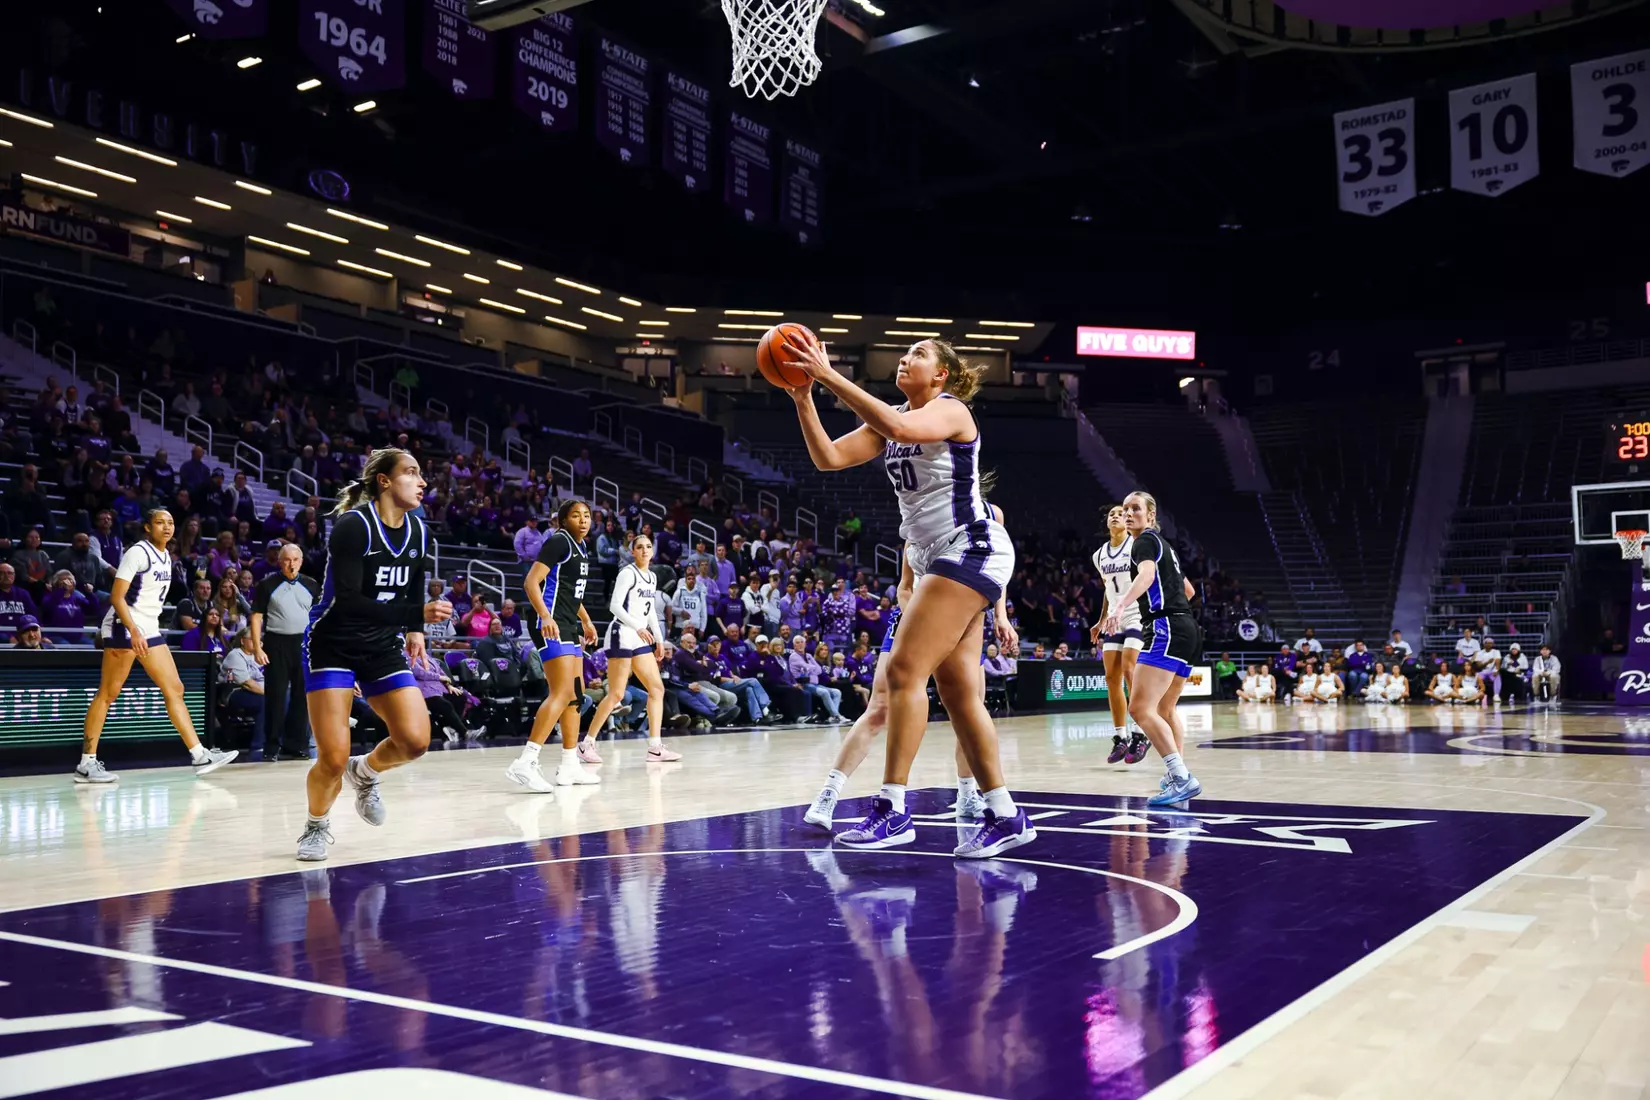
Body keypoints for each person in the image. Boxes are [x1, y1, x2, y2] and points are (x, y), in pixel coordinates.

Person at [787, 335, 1030, 858]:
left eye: (918, 354)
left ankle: (892, 809)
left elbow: (899, 427)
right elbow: (829, 458)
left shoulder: (951, 412)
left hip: (970, 547)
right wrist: (803, 397)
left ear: (941, 375)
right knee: (962, 694)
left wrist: (827, 375)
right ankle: (1007, 814)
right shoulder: (890, 419)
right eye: (903, 353)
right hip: (936, 558)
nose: (904, 358)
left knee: (901, 673)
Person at [297, 448, 450, 862]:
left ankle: (364, 773)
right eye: (411, 473)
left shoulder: (419, 532)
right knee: (331, 756)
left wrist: (415, 628)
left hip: (381, 645)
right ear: (384, 481)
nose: (422, 482)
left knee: (416, 741)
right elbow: (347, 601)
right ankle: (315, 826)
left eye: (422, 474)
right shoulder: (353, 527)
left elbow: (415, 578)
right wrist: (413, 614)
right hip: (333, 642)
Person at [74, 508, 237, 783]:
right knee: (108, 694)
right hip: (124, 627)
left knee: (175, 688)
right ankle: (86, 764)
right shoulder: (138, 552)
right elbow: (116, 597)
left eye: (171, 522)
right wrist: (133, 630)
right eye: (160, 522)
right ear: (148, 527)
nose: (167, 527)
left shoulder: (165, 555)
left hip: (148, 627)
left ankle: (199, 755)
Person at [1098, 491, 1204, 805]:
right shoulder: (1164, 546)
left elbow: (1146, 575)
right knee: (1164, 709)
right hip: (1187, 629)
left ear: (1150, 516)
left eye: (1136, 509)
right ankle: (1177, 774)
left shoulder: (1144, 541)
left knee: (1140, 708)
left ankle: (1182, 777)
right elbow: (1189, 590)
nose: (1129, 513)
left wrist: (1120, 608)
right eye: (1125, 508)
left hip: (1166, 627)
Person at [508, 499, 601, 793]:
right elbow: (531, 582)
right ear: (562, 520)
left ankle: (570, 763)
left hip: (569, 622)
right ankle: (526, 760)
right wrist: (545, 616)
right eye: (576, 515)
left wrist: (586, 620)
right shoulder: (559, 542)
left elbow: (573, 594)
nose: (583, 520)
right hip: (550, 622)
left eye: (587, 515)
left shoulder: (581, 547)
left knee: (576, 694)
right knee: (561, 693)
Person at [579, 535, 682, 762]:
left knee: (657, 689)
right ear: (633, 551)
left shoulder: (652, 577)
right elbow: (615, 606)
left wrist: (659, 639)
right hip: (622, 633)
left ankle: (655, 747)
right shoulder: (627, 573)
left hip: (640, 636)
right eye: (639, 547)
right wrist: (638, 628)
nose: (644, 550)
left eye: (648, 546)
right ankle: (586, 744)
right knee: (616, 693)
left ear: (652, 551)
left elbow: (651, 612)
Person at [1089, 504, 1147, 766]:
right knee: (1111, 676)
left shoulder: (1136, 547)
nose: (1115, 516)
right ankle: (1120, 737)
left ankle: (1140, 733)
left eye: (1120, 513)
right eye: (1111, 514)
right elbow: (1107, 591)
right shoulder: (1099, 554)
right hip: (1114, 617)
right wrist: (1101, 619)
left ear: (1128, 520)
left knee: (1129, 669)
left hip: (1136, 613)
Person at [250, 543, 320, 762]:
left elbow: (318, 616)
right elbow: (256, 617)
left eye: (295, 559)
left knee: (302, 696)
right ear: (280, 562)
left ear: (301, 561)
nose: (291, 564)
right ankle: (271, 746)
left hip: (303, 643)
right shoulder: (267, 584)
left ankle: (296, 745)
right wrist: (258, 647)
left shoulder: (311, 584)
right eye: (287, 560)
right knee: (276, 696)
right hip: (276, 642)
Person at [222, 628, 267, 752]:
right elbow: (247, 683)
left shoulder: (260, 656)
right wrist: (273, 694)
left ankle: (283, 742)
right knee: (265, 702)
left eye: (259, 640)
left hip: (260, 691)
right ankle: (259, 745)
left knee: (289, 697)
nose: (258, 643)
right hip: (235, 692)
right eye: (253, 640)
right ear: (242, 641)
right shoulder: (235, 655)